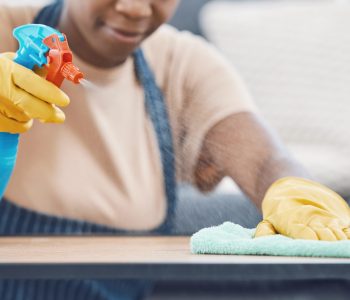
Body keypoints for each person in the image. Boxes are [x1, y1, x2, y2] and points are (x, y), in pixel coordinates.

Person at [0, 0, 349, 299]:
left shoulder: (183, 64)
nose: (135, 8)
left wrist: (298, 194)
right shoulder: (7, 23)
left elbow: (265, 161)